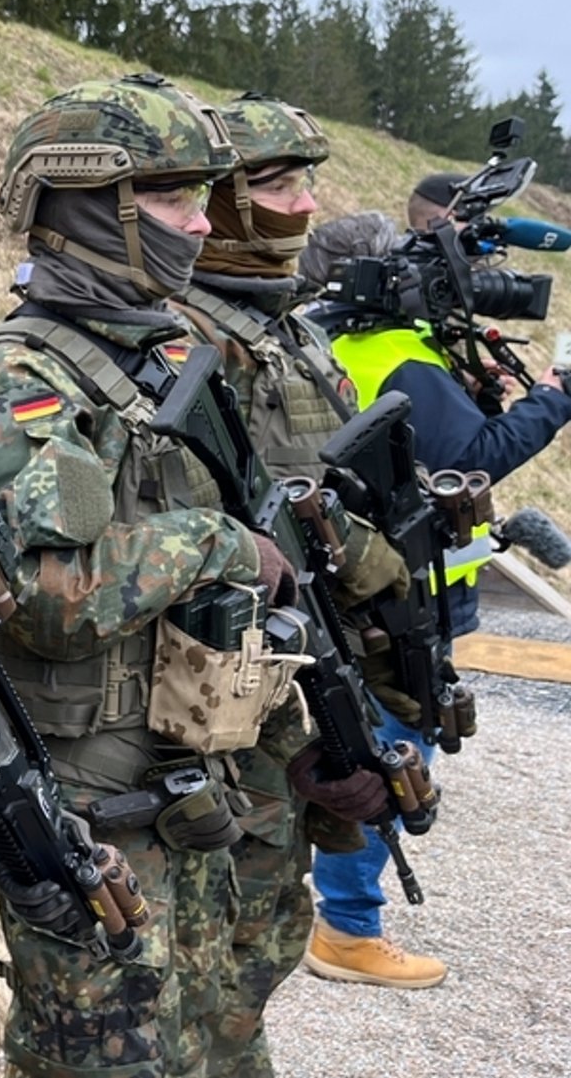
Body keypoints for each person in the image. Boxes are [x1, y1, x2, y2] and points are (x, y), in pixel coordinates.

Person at [0, 73, 300, 1078]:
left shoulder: (159, 352)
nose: (198, 223)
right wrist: (214, 545)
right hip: (98, 814)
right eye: (171, 200)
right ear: (96, 210)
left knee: (217, 1044)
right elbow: (42, 597)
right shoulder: (25, 381)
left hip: (183, 778)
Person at [163, 93, 398, 1074]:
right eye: (277, 181)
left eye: (306, 181)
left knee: (258, 946)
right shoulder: (184, 340)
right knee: (202, 973)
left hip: (294, 692)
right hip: (215, 712)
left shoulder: (286, 330)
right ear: (220, 198)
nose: (303, 203)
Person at [296, 181, 571, 989]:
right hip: (411, 590)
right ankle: (349, 926)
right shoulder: (399, 354)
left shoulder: (318, 340)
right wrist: (556, 398)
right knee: (392, 744)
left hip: (351, 576)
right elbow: (475, 454)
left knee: (356, 735)